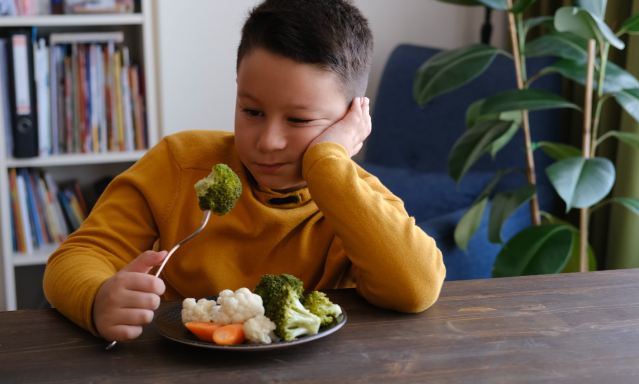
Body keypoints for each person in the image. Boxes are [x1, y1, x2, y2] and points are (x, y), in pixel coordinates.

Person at [43, 0, 446, 343]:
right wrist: (98, 298)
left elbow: (416, 288)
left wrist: (326, 163)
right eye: (251, 111)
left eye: (299, 120)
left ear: (349, 121)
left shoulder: (351, 195)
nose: (268, 140)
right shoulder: (180, 164)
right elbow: (76, 257)